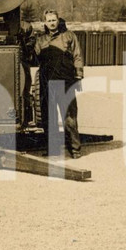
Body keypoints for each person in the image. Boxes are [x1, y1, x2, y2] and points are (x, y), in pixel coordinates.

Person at [33, 10, 84, 157]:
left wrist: (78, 75)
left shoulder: (69, 36)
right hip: (46, 83)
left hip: (65, 81)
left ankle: (75, 149)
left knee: (69, 117)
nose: (52, 23)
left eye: (54, 20)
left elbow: (77, 56)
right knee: (49, 118)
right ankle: (53, 149)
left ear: (58, 20)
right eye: (49, 21)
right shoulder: (40, 40)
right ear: (45, 23)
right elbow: (34, 58)